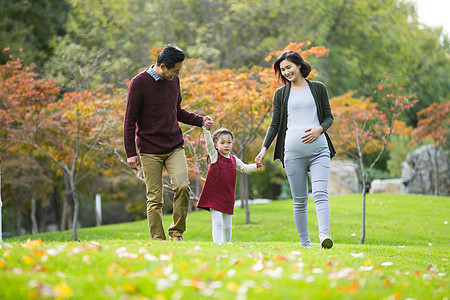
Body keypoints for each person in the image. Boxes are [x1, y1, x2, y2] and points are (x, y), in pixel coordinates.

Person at [123, 44, 214, 241]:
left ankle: (176, 232)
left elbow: (177, 111)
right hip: (149, 150)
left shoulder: (174, 81)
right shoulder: (139, 83)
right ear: (163, 66)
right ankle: (157, 238)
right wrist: (131, 152)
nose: (177, 74)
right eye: (175, 70)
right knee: (154, 197)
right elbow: (129, 120)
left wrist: (200, 121)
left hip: (174, 145)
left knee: (182, 186)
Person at [255, 50, 336, 249]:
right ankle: (305, 244)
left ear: (299, 65)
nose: (286, 72)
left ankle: (324, 235)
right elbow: (275, 125)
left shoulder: (318, 88)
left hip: (319, 151)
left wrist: (320, 128)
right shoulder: (281, 94)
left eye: (288, 67)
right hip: (292, 154)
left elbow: (328, 117)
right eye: (282, 70)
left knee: (320, 194)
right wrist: (264, 149)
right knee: (299, 201)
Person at [197, 127, 261, 243]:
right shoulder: (215, 156)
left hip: (228, 197)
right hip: (214, 197)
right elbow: (208, 144)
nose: (226, 145)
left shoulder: (234, 159)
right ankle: (218, 245)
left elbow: (245, 168)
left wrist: (256, 166)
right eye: (222, 143)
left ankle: (227, 245)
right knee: (218, 223)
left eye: (229, 142)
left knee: (227, 226)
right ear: (216, 145)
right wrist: (206, 130)